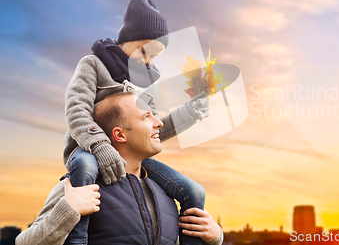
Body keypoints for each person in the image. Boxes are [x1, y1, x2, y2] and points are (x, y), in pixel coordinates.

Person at [63, 0, 209, 244]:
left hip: (132, 155)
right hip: (88, 147)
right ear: (127, 39)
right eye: (145, 51)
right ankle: (77, 239)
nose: (148, 61)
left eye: (155, 56)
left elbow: (151, 128)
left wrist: (189, 113)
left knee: (193, 191)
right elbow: (76, 109)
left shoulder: (147, 82)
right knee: (85, 168)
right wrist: (100, 146)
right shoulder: (94, 65)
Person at [16, 92, 223, 245]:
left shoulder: (166, 192)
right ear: (120, 135)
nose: (159, 123)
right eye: (146, 117)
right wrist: (68, 211)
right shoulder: (79, 188)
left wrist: (215, 237)